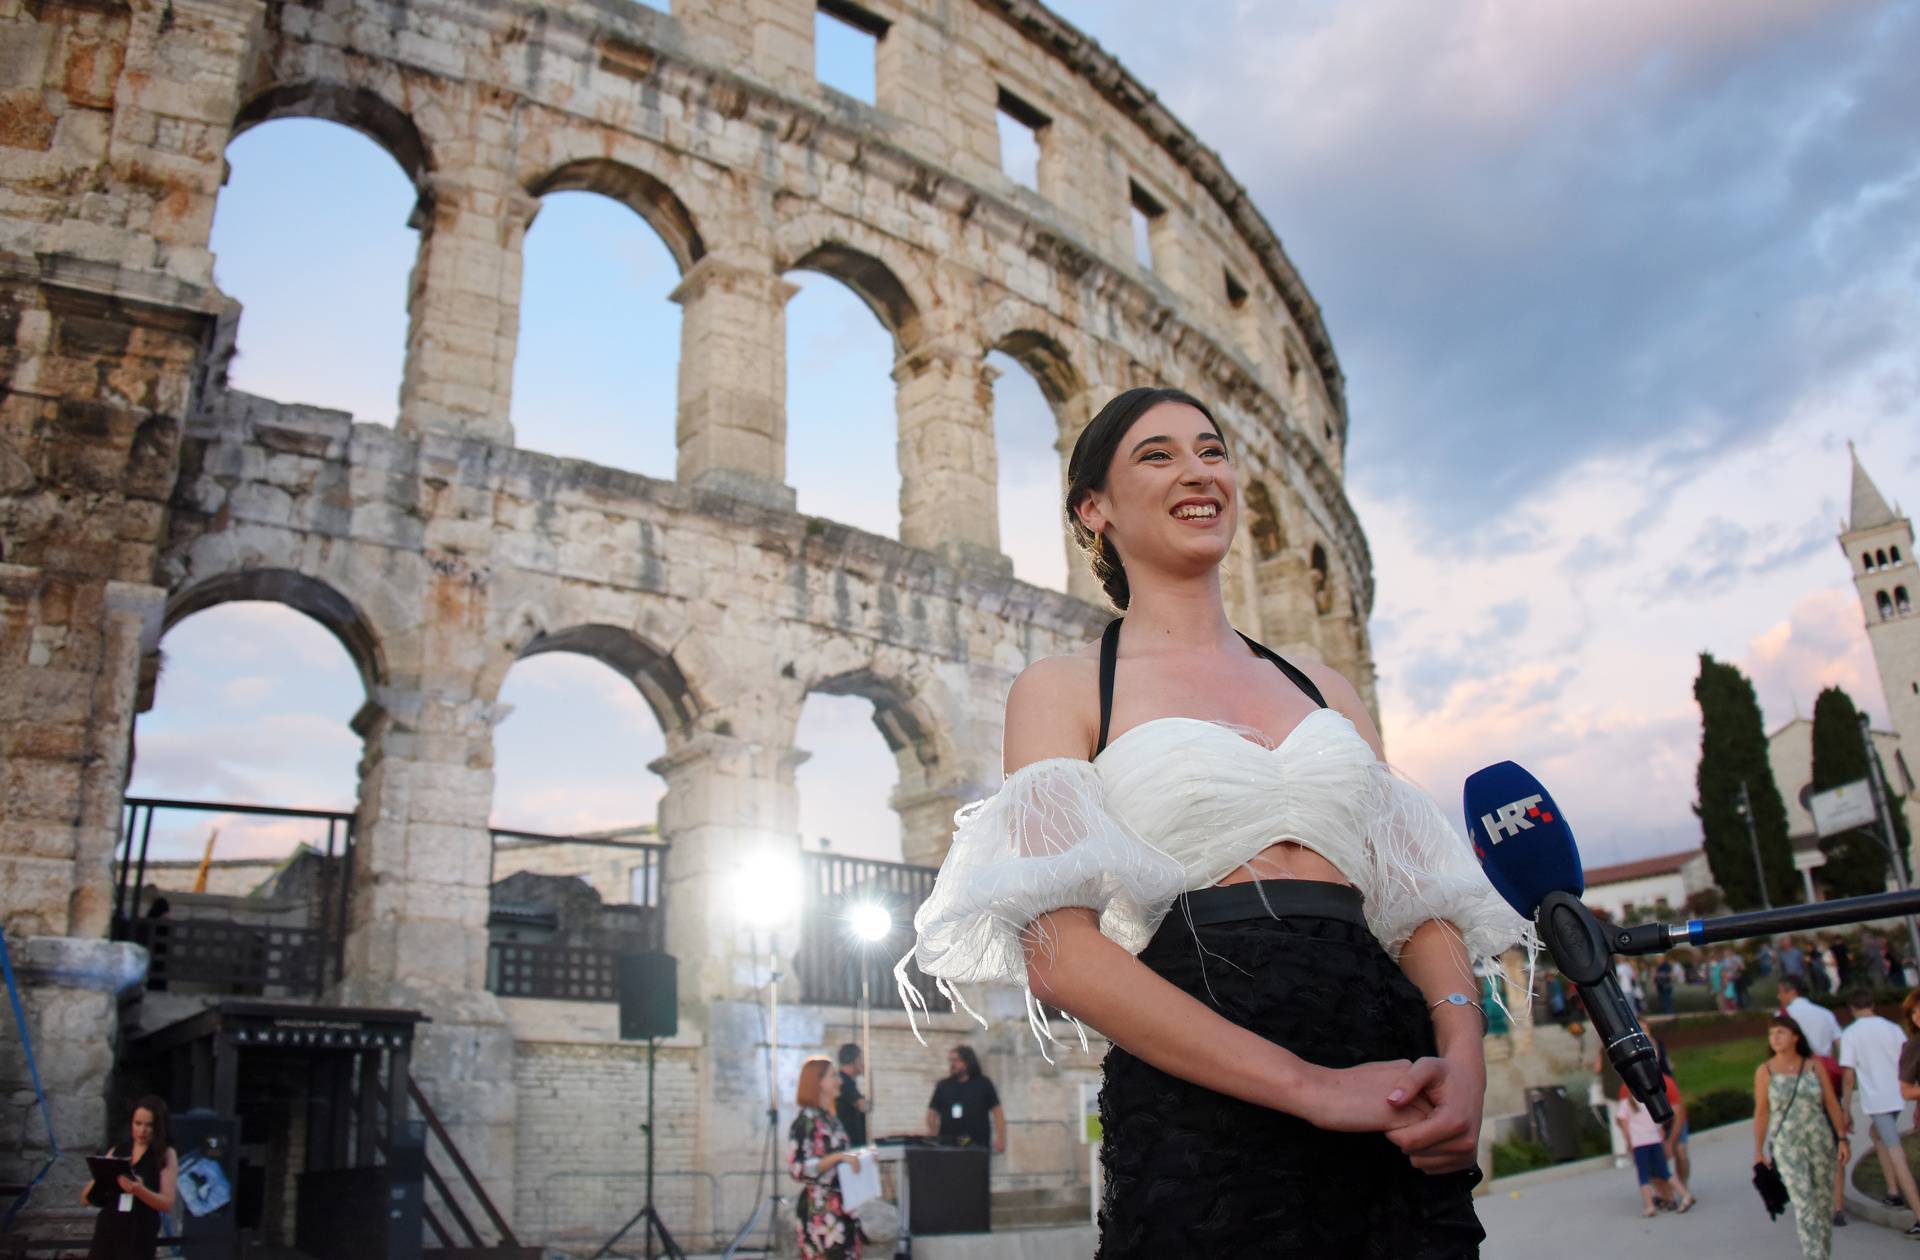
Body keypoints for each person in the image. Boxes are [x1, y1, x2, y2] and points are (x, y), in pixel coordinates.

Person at [897, 388, 1530, 1258]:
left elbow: (1417, 901)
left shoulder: (1324, 688)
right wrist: (1307, 1087)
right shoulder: (1069, 687)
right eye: (1156, 456)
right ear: (1094, 509)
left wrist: (1463, 1054)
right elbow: (1059, 952)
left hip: (1384, 1055)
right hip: (1205, 1081)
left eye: (1212, 450)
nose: (1198, 472)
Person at [1754, 1014, 1849, 1260]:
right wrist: (1758, 1149)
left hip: (1819, 1142)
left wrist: (1842, 1138)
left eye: (1780, 1033)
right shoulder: (1765, 1071)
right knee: (1804, 1205)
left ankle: (1822, 1254)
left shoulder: (1814, 1067)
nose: (1774, 1038)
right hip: (1787, 1146)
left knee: (1821, 1206)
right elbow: (1762, 1112)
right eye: (1771, 1034)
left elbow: (1831, 1103)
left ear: (1795, 1037)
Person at [1840, 988, 1920, 1235]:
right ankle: (1893, 1191)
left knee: (1895, 1151)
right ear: (1873, 1003)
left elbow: (1849, 1076)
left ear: (1852, 1009)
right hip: (1898, 1096)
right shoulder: (1892, 1028)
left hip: (1878, 1101)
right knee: (1877, 1134)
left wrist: (1845, 1110)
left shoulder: (1851, 1034)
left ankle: (1916, 1212)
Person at [81, 1095, 177, 1260]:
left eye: (149, 1125)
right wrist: (101, 1174)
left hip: (139, 1230)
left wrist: (139, 1190)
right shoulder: (118, 1150)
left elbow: (167, 1203)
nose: (141, 1131)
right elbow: (86, 1198)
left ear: (158, 1126)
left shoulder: (165, 1154)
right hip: (110, 1226)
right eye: (137, 1124)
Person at [788, 1056, 863, 1260]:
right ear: (818, 1082)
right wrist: (838, 1157)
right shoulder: (806, 1121)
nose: (839, 1081)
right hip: (820, 1211)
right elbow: (798, 1169)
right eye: (833, 1076)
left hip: (843, 1208)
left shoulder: (831, 1120)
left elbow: (841, 1157)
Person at [1616, 1074, 1692, 1217]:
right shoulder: (1649, 1102)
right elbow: (1659, 1125)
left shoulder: (1627, 1104)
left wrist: (1628, 1142)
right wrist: (1662, 1139)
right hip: (1654, 1141)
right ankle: (1685, 1194)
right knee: (1664, 1172)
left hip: (1640, 1144)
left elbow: (1623, 1124)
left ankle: (1650, 1206)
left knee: (1644, 1175)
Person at [925, 1046, 1003, 1153]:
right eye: (951, 1061)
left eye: (956, 1060)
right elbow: (932, 1112)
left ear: (968, 1061)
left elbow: (997, 1112)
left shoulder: (984, 1084)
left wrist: (1000, 1138)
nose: (953, 1064)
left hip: (977, 1144)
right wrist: (933, 1133)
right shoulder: (943, 1086)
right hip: (948, 1145)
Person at [835, 1043, 869, 1148]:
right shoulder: (844, 1082)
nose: (862, 1063)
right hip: (850, 1144)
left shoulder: (849, 1082)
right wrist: (869, 1076)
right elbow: (865, 1106)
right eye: (860, 1059)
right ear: (854, 1060)